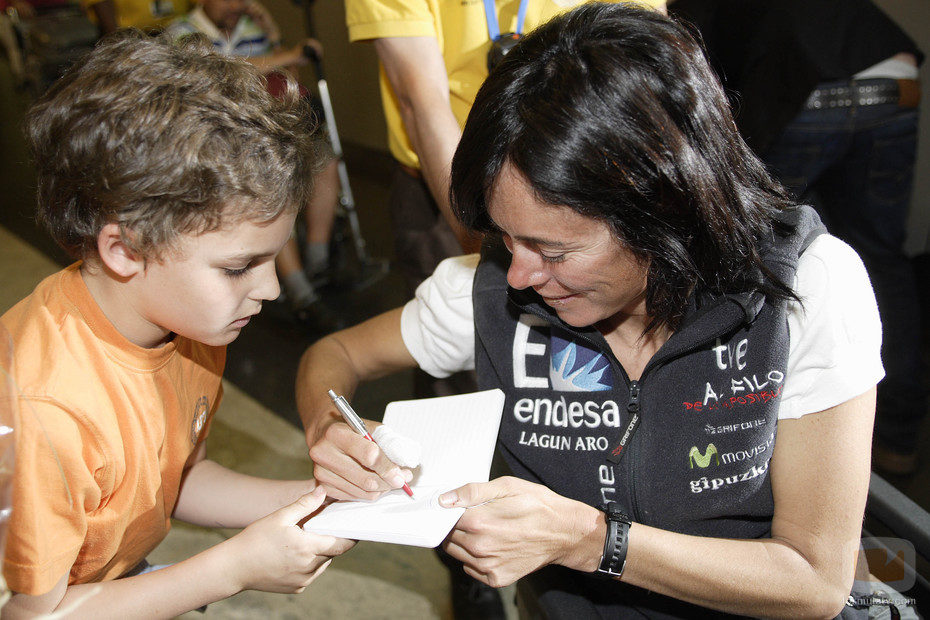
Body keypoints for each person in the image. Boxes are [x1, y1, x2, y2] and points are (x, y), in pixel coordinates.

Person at [297, 3, 885, 617]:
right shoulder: (491, 288)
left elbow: (815, 582)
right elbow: (331, 355)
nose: (520, 275)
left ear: (663, 208)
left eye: (554, 250)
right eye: (507, 237)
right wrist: (329, 431)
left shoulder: (806, 289)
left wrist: (591, 541)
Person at [0, 30, 353, 617]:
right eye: (240, 266)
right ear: (126, 251)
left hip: (109, 580)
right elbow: (33, 613)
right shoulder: (48, 410)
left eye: (272, 258)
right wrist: (230, 568)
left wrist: (322, 501)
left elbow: (177, 480)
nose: (268, 290)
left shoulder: (187, 321)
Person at [669, 0, 926, 477]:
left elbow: (696, 70)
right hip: (893, 76)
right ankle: (898, 440)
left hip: (807, 88)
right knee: (880, 258)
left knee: (748, 246)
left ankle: (742, 433)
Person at [166, 0, 343, 333]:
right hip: (211, 139)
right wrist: (286, 53)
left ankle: (317, 258)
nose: (235, 6)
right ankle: (300, 292)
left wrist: (273, 34)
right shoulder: (182, 33)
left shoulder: (250, 30)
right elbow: (218, 77)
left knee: (323, 158)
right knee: (269, 182)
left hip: (261, 128)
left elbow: (286, 82)